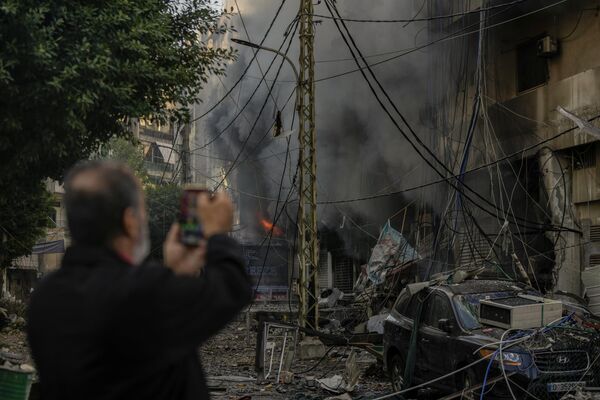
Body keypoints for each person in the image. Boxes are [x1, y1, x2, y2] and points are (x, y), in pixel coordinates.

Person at [27, 160, 252, 400]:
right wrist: (217, 233)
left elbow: (146, 346)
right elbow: (233, 286)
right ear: (130, 221)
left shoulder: (45, 297)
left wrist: (176, 272)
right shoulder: (139, 292)